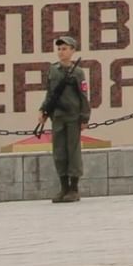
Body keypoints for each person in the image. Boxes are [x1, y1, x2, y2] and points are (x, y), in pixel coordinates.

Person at [38, 34, 91, 203]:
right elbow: (50, 93)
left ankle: (74, 188)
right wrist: (43, 110)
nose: (61, 52)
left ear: (73, 51)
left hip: (73, 117)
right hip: (58, 117)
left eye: (65, 49)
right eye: (59, 49)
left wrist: (84, 118)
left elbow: (83, 96)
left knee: (73, 152)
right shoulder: (53, 70)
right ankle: (64, 187)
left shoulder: (78, 72)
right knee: (59, 152)